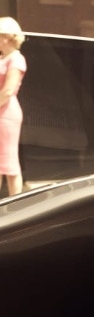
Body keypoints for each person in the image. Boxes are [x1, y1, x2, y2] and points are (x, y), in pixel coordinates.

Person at [0, 16, 26, 197]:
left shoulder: (16, 59)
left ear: (7, 37)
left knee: (9, 162)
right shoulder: (4, 58)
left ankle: (17, 206)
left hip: (6, 115)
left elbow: (8, 91)